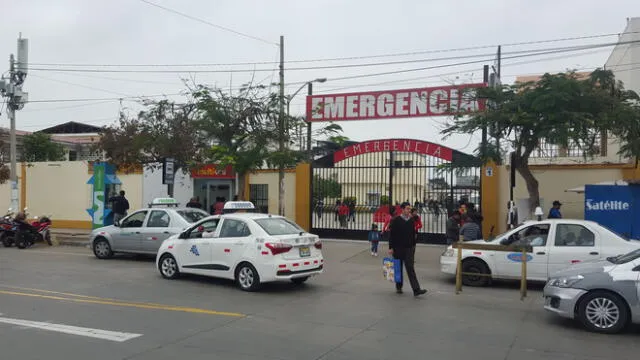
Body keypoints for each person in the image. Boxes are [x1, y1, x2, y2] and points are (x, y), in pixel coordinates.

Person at [388, 202, 427, 296]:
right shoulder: (396, 220)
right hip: (398, 248)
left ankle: (416, 289)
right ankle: (399, 287)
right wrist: (391, 247)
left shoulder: (411, 220)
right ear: (402, 209)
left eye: (409, 209)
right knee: (398, 268)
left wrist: (413, 246)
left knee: (410, 268)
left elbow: (413, 234)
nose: (409, 210)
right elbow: (392, 235)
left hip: (409, 248)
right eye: (407, 208)